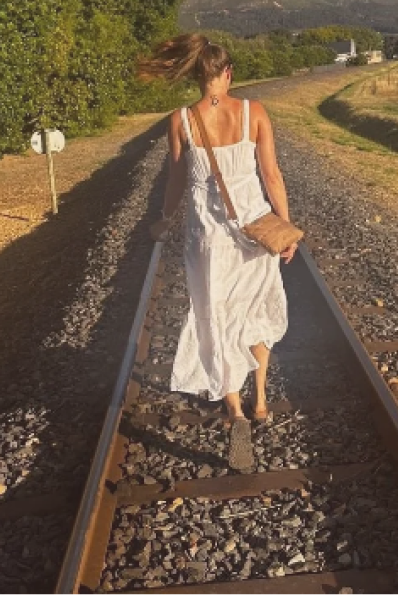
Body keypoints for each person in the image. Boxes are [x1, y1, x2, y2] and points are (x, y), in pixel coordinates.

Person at [139, 33, 296, 470]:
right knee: (257, 310)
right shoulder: (254, 112)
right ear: (228, 74)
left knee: (217, 317)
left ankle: (235, 410)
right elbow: (273, 175)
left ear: (195, 75)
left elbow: (175, 181)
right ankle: (261, 397)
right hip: (256, 232)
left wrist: (165, 221)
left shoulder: (181, 120)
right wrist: (286, 228)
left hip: (208, 239)